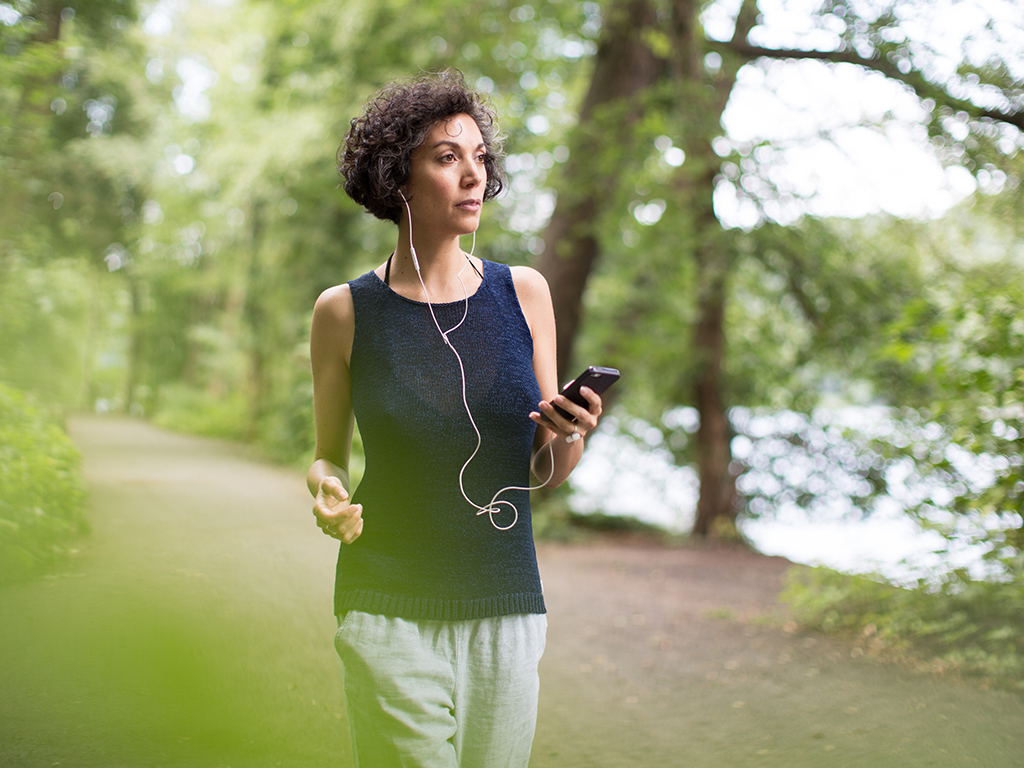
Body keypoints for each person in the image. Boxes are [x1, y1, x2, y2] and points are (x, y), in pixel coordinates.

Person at [306, 69, 605, 768]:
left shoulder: (524, 293)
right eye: (447, 157)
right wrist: (326, 490)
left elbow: (546, 470)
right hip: (386, 604)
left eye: (480, 157)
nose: (475, 175)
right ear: (397, 179)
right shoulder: (343, 312)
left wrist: (570, 432)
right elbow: (327, 456)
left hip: (507, 605)